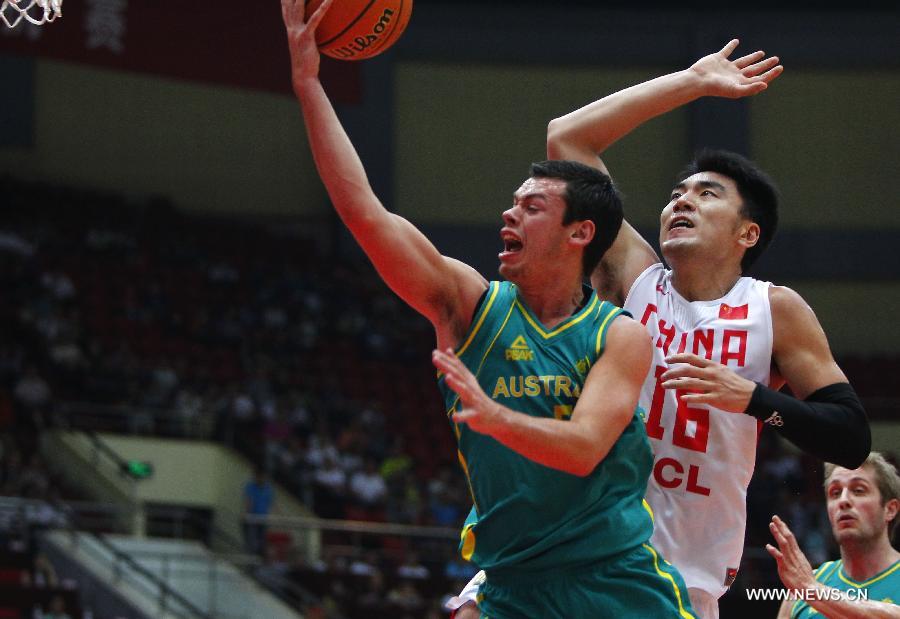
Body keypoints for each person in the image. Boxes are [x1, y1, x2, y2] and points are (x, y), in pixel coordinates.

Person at [281, 1, 695, 616]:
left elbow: (583, 447)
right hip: (511, 586)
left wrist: (492, 415)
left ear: (581, 233)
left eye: (531, 206)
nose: (509, 213)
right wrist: (309, 84)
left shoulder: (620, 335)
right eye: (512, 203)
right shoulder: (467, 305)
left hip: (614, 581)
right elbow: (363, 212)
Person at [452, 39, 870, 619]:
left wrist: (753, 398)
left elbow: (849, 437)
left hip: (682, 575)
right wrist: (693, 81)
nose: (682, 202)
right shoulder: (637, 277)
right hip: (575, 546)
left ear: (747, 234)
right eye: (676, 194)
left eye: (707, 194)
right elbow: (568, 139)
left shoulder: (774, 309)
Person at [769, 452, 900, 618]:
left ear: (890, 509)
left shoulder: (805, 584)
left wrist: (812, 589)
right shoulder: (805, 584)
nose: (843, 500)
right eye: (835, 493)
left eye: (859, 490)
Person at [243, 466, 274, 555]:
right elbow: (248, 502)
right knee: (252, 543)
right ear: (256, 476)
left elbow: (271, 504)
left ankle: (259, 557)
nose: (261, 479)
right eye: (259, 476)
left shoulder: (268, 488)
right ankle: (251, 558)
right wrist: (248, 516)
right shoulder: (250, 487)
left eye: (263, 477)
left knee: (262, 543)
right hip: (253, 519)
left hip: (263, 520)